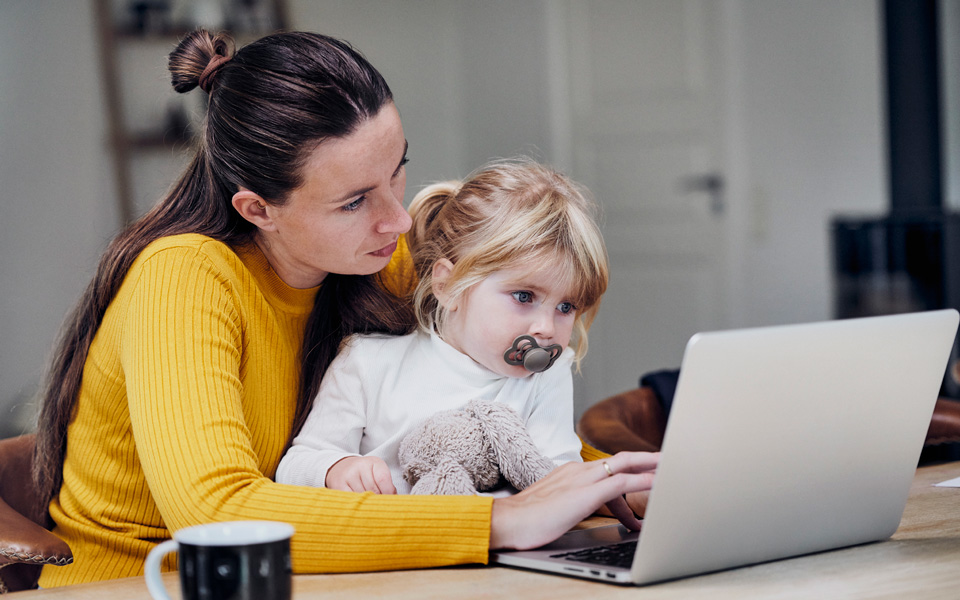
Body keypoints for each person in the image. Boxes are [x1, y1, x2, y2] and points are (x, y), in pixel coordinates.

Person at [31, 29, 658, 588]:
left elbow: (499, 418)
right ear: (258, 210)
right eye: (355, 200)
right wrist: (499, 519)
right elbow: (217, 510)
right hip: (149, 583)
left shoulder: (380, 259)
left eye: (398, 170)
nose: (400, 218)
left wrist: (612, 485)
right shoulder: (183, 279)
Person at [276, 160, 606, 494]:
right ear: (448, 285)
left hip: (505, 542)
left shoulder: (547, 376)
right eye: (524, 296)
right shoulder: (366, 362)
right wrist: (336, 468)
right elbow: (296, 464)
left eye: (566, 307)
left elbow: (558, 475)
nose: (546, 328)